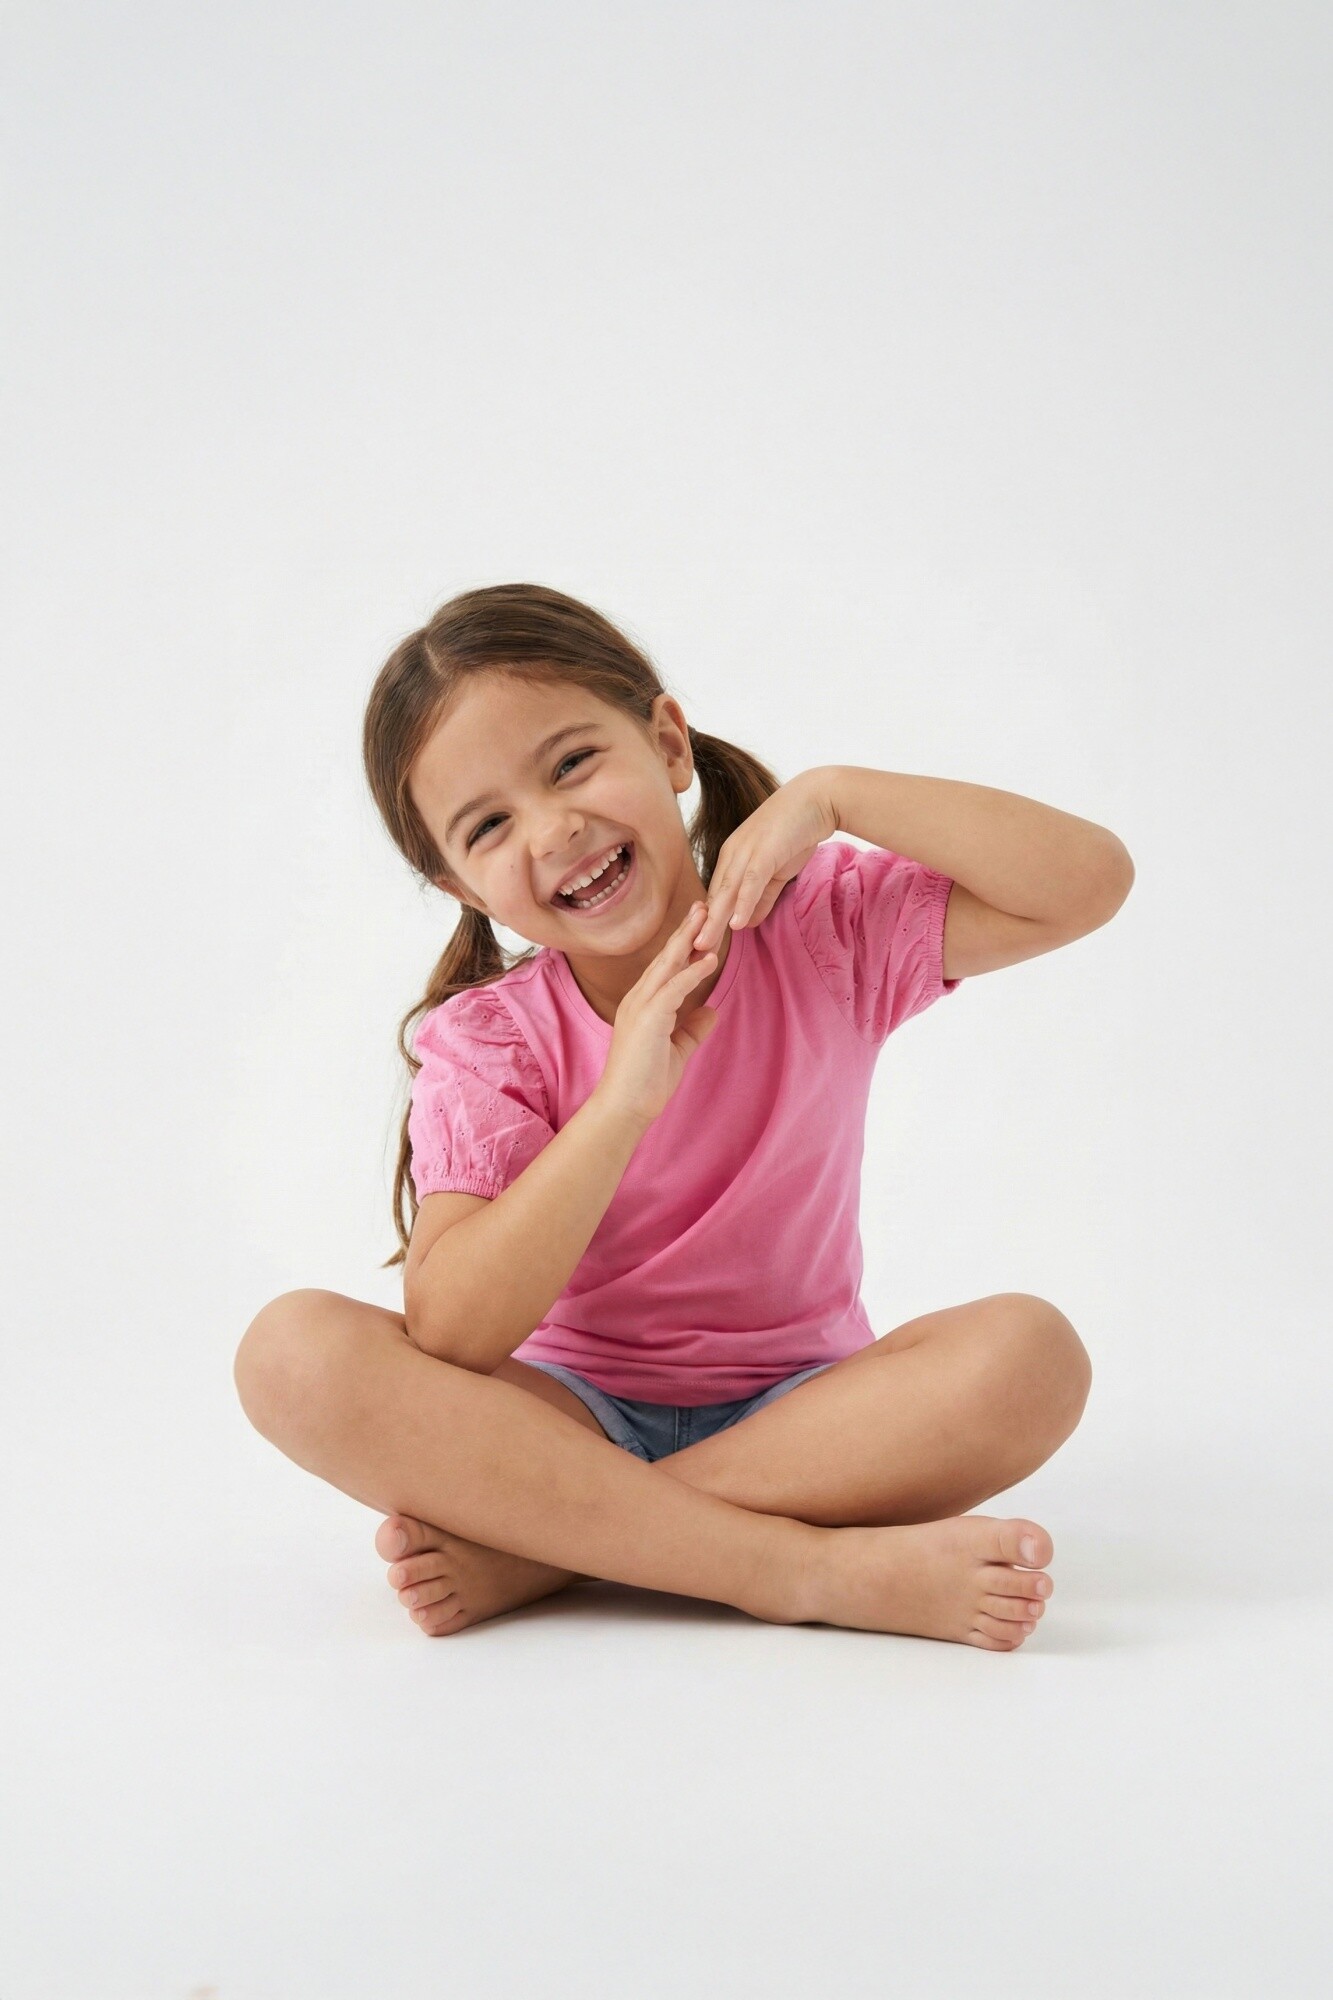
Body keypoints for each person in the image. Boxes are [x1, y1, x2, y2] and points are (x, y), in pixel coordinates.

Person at [234, 582, 1132, 1648]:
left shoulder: (820, 929)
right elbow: (455, 1333)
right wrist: (620, 1104)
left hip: (811, 1417)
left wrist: (833, 794)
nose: (554, 828)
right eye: (489, 825)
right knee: (289, 1352)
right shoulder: (489, 1040)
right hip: (561, 1420)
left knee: (1031, 1356)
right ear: (460, 885)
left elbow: (1085, 882)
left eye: (571, 762)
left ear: (667, 743)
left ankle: (558, 1545)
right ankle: (800, 1569)